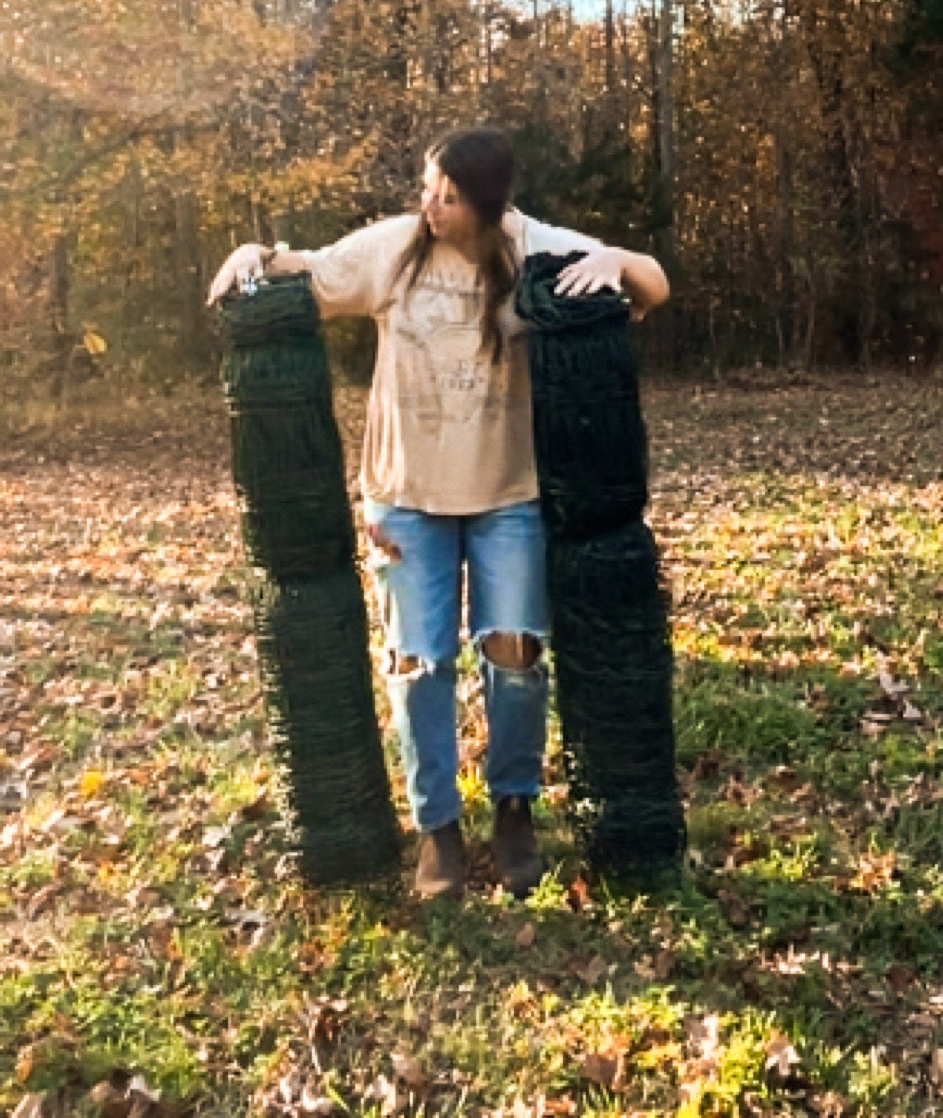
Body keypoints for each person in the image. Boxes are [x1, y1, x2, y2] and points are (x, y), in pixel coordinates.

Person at [207, 127, 669, 901]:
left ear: (490, 206)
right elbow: (306, 270)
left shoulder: (534, 248)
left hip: (507, 497)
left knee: (515, 659)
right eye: (427, 188)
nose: (430, 206)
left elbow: (653, 282)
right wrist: (253, 253)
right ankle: (438, 829)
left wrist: (617, 263)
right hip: (405, 500)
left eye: (448, 198)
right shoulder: (393, 248)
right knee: (417, 665)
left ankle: (513, 808)